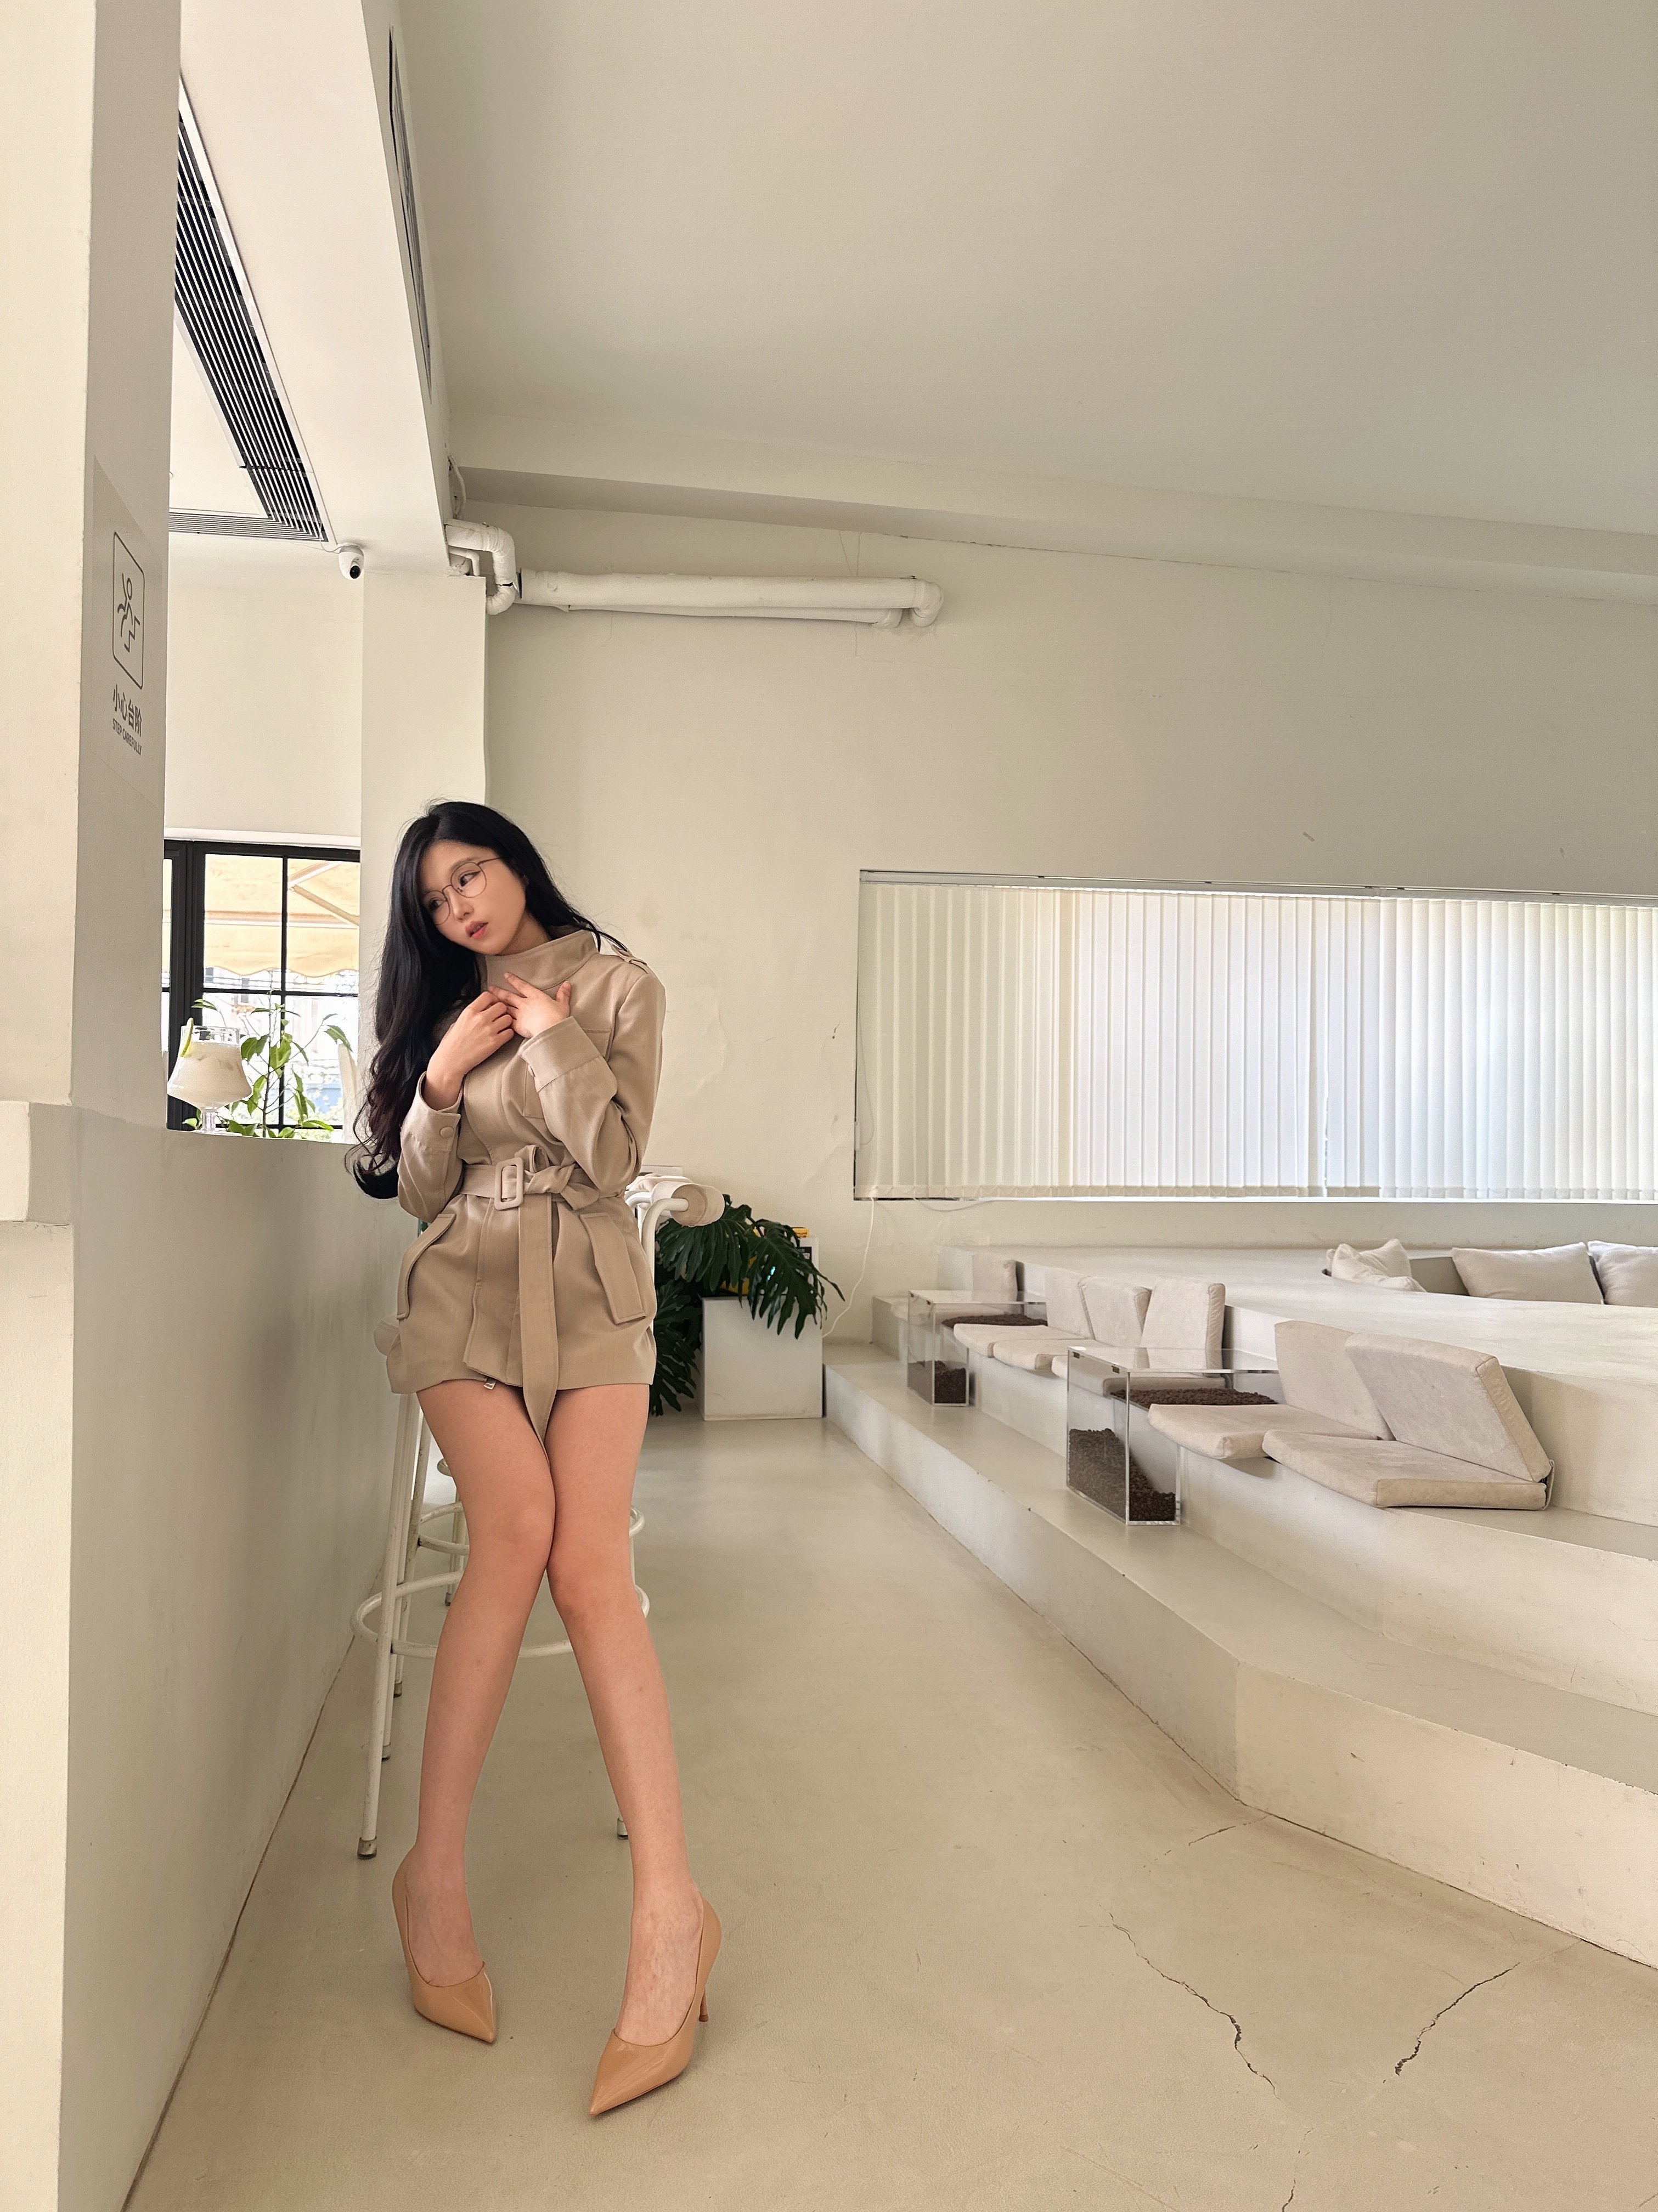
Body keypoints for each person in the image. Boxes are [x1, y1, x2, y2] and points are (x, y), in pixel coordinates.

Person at [356, 799, 718, 2116]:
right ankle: (434, 1877)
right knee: (510, 1531)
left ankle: (671, 1912)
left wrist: (553, 1032)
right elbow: (415, 1189)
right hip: (462, 1287)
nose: (460, 906)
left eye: (473, 874)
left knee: (589, 1569)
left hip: (592, 1290)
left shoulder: (618, 986)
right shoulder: (441, 1013)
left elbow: (610, 1159)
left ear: (516, 866)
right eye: (436, 899)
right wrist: (440, 1081)